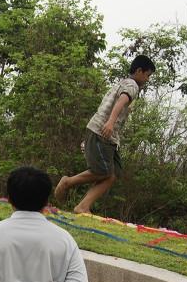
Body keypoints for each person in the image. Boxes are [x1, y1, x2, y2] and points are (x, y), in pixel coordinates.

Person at [55, 55, 155, 215]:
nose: (147, 79)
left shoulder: (121, 83)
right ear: (138, 71)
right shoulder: (132, 85)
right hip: (102, 132)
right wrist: (110, 122)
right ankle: (67, 182)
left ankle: (82, 207)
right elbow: (121, 101)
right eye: (147, 75)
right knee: (102, 171)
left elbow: (109, 105)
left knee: (112, 175)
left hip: (107, 135)